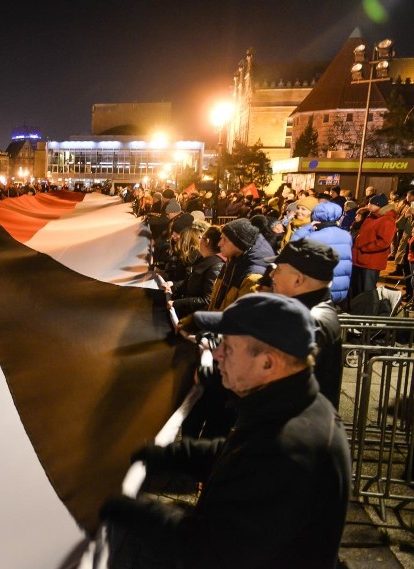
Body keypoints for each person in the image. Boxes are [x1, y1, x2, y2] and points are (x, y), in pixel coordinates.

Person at [99, 293, 351, 569]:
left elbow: (211, 550)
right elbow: (239, 455)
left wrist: (126, 510)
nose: (216, 355)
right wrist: (164, 454)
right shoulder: (290, 406)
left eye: (228, 347)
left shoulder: (290, 449)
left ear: (268, 363)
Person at [269, 239, 344, 409]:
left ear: (298, 279)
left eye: (278, 270)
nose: (272, 275)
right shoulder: (309, 311)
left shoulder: (308, 321)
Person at [289, 201, 353, 305]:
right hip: (341, 290)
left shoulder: (313, 237)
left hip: (319, 289)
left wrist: (307, 227)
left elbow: (292, 248)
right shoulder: (346, 235)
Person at [169, 224, 226, 319]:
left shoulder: (216, 266)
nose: (198, 240)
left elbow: (207, 300)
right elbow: (189, 281)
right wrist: (173, 287)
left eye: (201, 237)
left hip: (196, 318)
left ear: (206, 241)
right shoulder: (203, 259)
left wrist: (176, 303)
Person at [349, 192, 397, 302]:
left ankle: (367, 313)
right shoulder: (372, 216)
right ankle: (357, 311)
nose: (368, 206)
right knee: (358, 289)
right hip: (360, 259)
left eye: (371, 204)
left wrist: (365, 248)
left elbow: (384, 242)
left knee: (367, 291)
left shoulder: (387, 219)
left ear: (378, 205)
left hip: (371, 261)